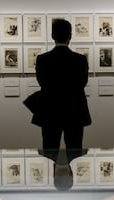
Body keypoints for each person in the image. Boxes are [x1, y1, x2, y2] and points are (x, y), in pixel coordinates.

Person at [33, 18, 92, 190]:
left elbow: (42, 83)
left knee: (49, 152)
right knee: (75, 152)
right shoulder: (80, 59)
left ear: (52, 36)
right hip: (74, 112)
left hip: (50, 112)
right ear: (70, 36)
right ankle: (75, 185)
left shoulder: (43, 59)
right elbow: (82, 83)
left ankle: (50, 184)